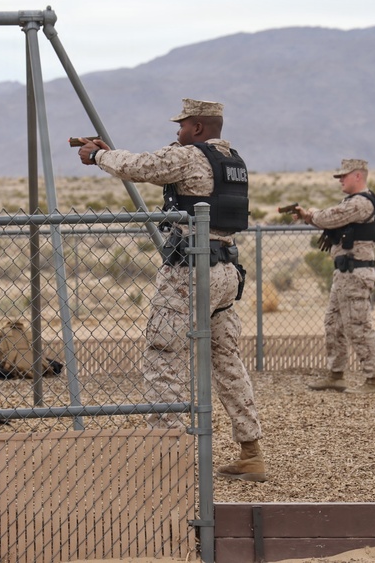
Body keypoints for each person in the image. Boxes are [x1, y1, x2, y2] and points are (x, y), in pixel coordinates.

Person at [76, 98, 267, 482]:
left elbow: (140, 166)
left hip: (190, 272)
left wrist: (98, 157)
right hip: (226, 268)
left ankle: (166, 453)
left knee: (163, 353)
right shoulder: (232, 160)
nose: (177, 132)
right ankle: (251, 451)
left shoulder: (191, 157)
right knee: (226, 359)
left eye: (182, 126)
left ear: (196, 127)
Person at [291, 159, 375, 393]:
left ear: (358, 176)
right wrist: (309, 215)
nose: (340, 180)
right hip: (345, 274)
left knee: (358, 326)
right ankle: (336, 374)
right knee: (334, 323)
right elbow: (331, 219)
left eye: (344, 176)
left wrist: (310, 215)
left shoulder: (361, 203)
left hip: (355, 273)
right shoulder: (352, 202)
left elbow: (329, 217)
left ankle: (373, 379)